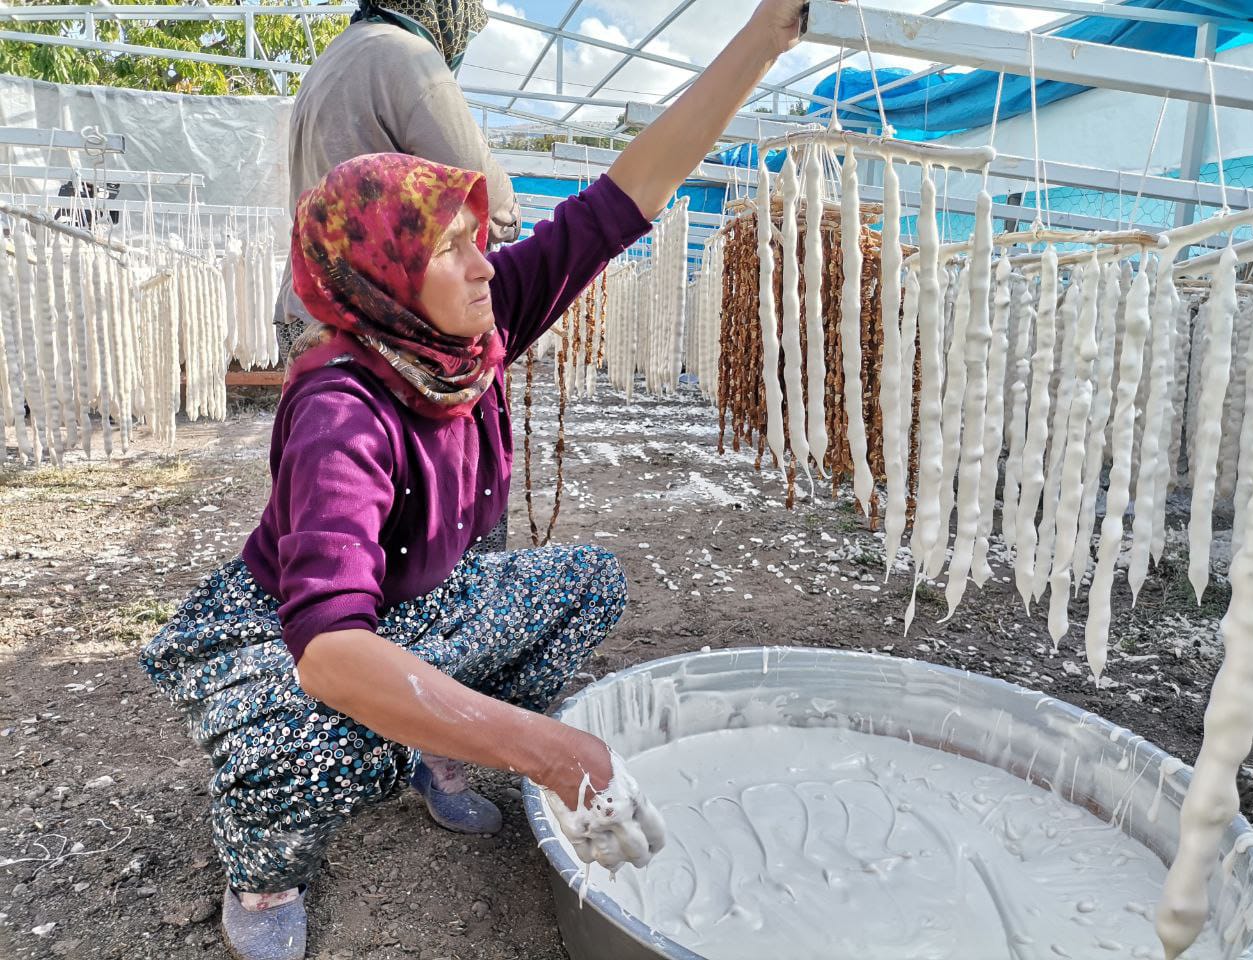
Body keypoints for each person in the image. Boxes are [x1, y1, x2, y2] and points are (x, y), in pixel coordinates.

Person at [140, 1, 837, 957]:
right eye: (453, 245)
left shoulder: (472, 326)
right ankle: (264, 870)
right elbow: (331, 652)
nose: (484, 261)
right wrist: (546, 749)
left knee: (586, 585)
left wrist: (766, 34)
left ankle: (432, 736)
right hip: (289, 636)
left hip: (413, 607)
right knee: (307, 741)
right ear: (386, 279)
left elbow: (627, 197)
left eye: (479, 238)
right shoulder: (340, 408)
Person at [274, 0, 521, 361]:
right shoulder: (410, 58)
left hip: (308, 307)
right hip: (371, 324)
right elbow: (488, 199)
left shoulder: (330, 60)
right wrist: (512, 216)